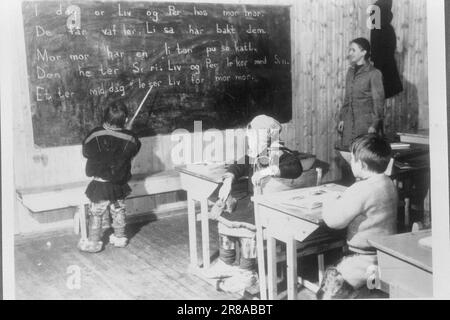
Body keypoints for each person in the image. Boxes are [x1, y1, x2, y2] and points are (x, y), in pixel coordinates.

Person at [204, 115, 303, 294]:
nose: (250, 142)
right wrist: (229, 179)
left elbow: (296, 168)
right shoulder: (256, 154)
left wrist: (271, 170)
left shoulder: (280, 154)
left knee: (247, 227)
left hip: (271, 207)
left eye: (253, 138)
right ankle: (226, 261)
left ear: (267, 137)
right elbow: (238, 165)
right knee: (226, 214)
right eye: (249, 138)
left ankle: (247, 272)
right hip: (255, 202)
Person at [317, 134, 398, 299]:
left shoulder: (360, 188)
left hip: (363, 260)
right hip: (385, 256)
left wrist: (328, 201)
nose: (351, 163)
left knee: (325, 293)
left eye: (352, 159)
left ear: (360, 164)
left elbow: (333, 221)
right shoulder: (388, 182)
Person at [78, 101, 141, 253]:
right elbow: (134, 149)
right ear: (125, 120)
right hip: (118, 184)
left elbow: (86, 151)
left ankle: (93, 242)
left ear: (105, 116)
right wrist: (128, 132)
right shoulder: (131, 138)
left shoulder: (95, 133)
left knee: (96, 212)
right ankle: (119, 238)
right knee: (118, 210)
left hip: (100, 184)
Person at [337, 37, 385, 185]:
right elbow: (347, 98)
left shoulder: (374, 73)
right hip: (349, 125)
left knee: (364, 164)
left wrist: (374, 125)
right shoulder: (350, 72)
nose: (350, 53)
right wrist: (342, 118)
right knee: (349, 163)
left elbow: (379, 101)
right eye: (349, 49)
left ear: (363, 52)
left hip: (365, 126)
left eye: (353, 50)